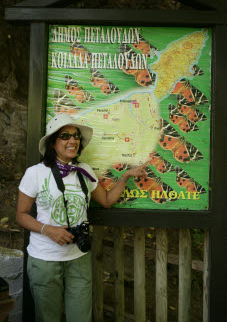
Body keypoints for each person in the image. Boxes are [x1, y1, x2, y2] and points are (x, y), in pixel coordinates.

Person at [16, 113, 148, 322]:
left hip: (78, 256)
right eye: (65, 136)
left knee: (80, 317)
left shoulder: (84, 171)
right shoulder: (35, 173)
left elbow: (105, 200)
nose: (73, 140)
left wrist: (125, 177)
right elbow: (21, 215)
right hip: (45, 260)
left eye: (76, 136)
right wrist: (48, 230)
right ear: (53, 142)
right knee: (47, 317)